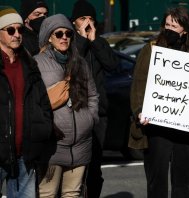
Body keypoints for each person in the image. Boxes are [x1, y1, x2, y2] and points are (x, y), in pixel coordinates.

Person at [129, 6, 189, 198]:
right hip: (157, 127)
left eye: (174, 25)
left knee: (183, 181)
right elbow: (139, 83)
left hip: (185, 129)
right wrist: (138, 111)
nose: (169, 28)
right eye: (167, 24)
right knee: (156, 180)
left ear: (185, 29)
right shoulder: (151, 48)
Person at [35, 13, 99, 197]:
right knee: (47, 193)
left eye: (68, 34)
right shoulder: (37, 63)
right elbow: (34, 103)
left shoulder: (80, 62)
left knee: (73, 193)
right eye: (59, 34)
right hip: (53, 146)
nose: (64, 37)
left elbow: (93, 95)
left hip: (81, 144)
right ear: (49, 36)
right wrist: (47, 127)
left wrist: (90, 119)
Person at [0, 6, 55, 197]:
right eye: (10, 30)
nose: (16, 34)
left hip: (25, 154)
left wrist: (43, 128)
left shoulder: (29, 63)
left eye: (20, 29)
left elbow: (43, 102)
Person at [70, 1, 119, 197]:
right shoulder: (69, 40)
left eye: (90, 19)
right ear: (74, 22)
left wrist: (94, 40)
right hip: (75, 112)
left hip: (98, 113)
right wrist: (82, 39)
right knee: (76, 168)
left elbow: (112, 64)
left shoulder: (99, 42)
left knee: (95, 169)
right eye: (83, 19)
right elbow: (72, 65)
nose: (87, 23)